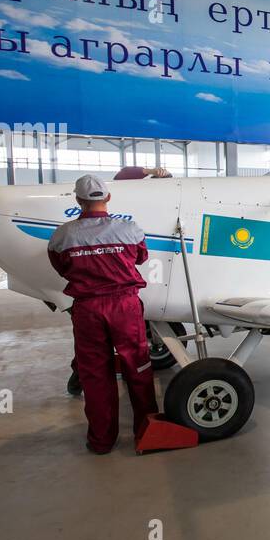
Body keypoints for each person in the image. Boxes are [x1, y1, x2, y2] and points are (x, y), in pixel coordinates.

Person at [47, 175, 158, 453]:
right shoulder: (130, 229)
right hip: (124, 307)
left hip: (87, 309)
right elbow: (141, 257)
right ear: (107, 198)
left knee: (95, 374)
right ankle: (147, 432)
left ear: (78, 200)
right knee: (138, 367)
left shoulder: (63, 235)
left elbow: (61, 267)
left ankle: (101, 440)